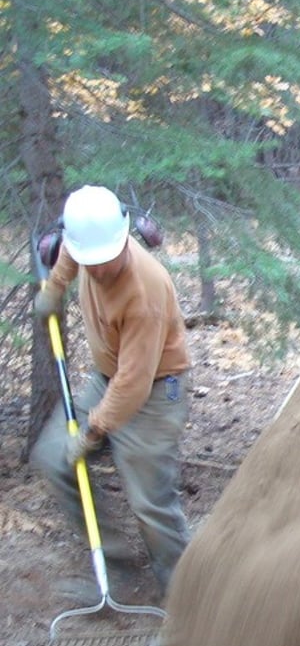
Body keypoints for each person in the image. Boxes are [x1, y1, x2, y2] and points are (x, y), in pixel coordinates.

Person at [32, 184, 192, 606]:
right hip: (108, 378)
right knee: (52, 457)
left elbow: (134, 383)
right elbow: (70, 251)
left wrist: (93, 431)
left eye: (104, 261)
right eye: (90, 263)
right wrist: (55, 287)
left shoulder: (145, 291)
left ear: (123, 238)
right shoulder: (87, 245)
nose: (98, 271)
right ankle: (117, 568)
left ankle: (186, 603)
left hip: (157, 388)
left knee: (150, 503)